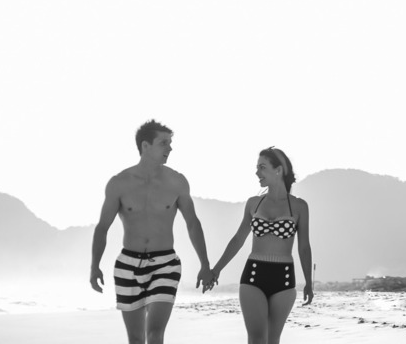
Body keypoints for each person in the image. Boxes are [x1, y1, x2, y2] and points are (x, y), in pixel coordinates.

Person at [90, 119, 213, 344]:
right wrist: (94, 266)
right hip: (128, 264)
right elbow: (102, 228)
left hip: (165, 263)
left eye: (170, 143)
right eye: (164, 143)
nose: (170, 148)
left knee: (155, 334)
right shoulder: (119, 183)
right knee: (136, 339)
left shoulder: (177, 181)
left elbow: (193, 223)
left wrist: (205, 264)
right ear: (145, 146)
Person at [211, 146, 313, 344]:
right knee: (257, 339)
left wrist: (309, 283)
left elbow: (304, 247)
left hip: (284, 278)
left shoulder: (300, 206)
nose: (257, 172)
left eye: (262, 167)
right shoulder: (253, 203)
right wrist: (216, 269)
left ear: (279, 170)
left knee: (272, 340)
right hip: (253, 275)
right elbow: (238, 239)